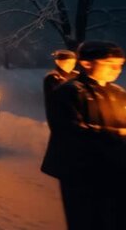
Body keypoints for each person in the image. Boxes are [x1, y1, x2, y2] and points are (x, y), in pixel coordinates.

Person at [41, 41, 126, 230]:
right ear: (87, 63)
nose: (117, 69)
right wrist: (116, 134)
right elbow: (69, 131)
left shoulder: (118, 93)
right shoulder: (69, 92)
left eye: (120, 64)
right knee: (87, 220)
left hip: (114, 171)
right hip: (81, 173)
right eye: (110, 63)